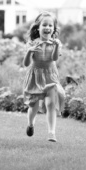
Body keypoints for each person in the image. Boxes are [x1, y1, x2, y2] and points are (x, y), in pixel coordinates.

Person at [22, 11, 65, 142]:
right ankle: (30, 124)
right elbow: (26, 64)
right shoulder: (32, 43)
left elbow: (54, 58)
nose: (47, 27)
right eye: (44, 25)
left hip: (50, 76)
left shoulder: (56, 43)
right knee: (33, 106)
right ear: (38, 28)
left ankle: (51, 133)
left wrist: (57, 46)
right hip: (35, 76)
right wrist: (29, 52)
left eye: (50, 25)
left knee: (51, 103)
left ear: (53, 29)